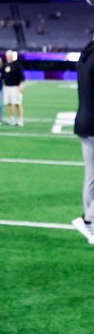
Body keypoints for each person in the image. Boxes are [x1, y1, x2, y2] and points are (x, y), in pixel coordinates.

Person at [73, 38, 94, 244]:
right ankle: (88, 218)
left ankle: (90, 225)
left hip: (84, 120)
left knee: (91, 176)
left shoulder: (85, 54)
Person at [2, 49, 25, 126]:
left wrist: (21, 85)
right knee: (9, 103)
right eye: (7, 56)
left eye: (9, 55)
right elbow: (2, 76)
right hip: (7, 87)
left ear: (12, 56)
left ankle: (20, 119)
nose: (8, 57)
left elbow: (22, 77)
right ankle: (11, 118)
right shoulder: (5, 65)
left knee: (18, 103)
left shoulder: (17, 65)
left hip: (16, 87)